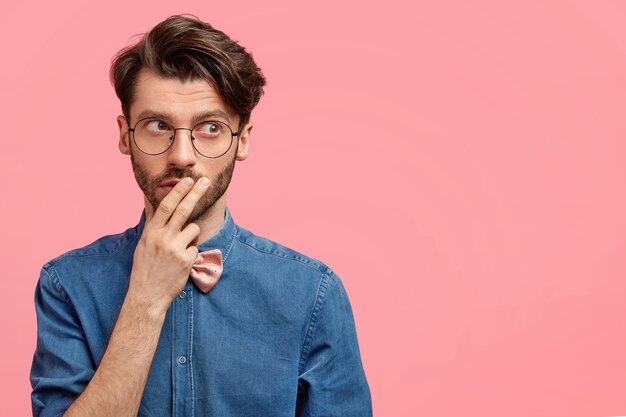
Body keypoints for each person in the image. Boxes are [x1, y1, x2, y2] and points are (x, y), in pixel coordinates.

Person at [29, 14, 372, 417]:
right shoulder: (66, 286)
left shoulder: (313, 294)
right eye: (158, 125)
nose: (181, 156)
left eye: (210, 128)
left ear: (241, 140)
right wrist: (146, 299)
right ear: (126, 136)